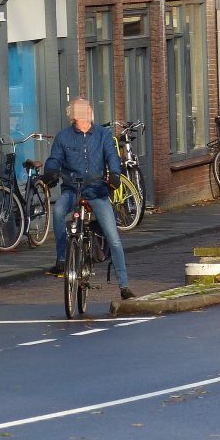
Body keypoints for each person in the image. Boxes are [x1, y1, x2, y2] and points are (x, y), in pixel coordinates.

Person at [42, 97, 134, 300]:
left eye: (87, 109)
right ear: (73, 115)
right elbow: (54, 159)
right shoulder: (63, 137)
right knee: (58, 211)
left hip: (97, 191)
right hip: (72, 190)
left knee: (114, 239)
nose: (86, 113)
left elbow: (112, 157)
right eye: (81, 110)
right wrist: (50, 172)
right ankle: (62, 258)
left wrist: (115, 175)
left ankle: (124, 286)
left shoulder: (103, 134)